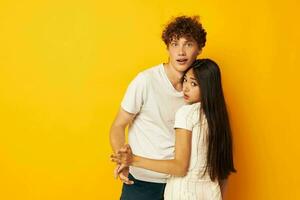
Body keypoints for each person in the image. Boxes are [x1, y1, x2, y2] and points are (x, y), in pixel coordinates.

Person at [109, 16, 206, 200]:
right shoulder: (146, 81)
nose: (181, 51)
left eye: (188, 44)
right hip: (142, 182)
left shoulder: (199, 90)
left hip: (181, 184)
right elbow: (118, 125)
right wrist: (122, 157)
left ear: (199, 48)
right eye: (175, 43)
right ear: (167, 47)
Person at [112, 59, 236, 200]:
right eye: (185, 81)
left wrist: (132, 160)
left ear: (207, 88)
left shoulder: (186, 113)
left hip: (182, 192)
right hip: (211, 193)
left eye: (194, 84)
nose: (186, 88)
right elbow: (224, 171)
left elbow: (179, 167)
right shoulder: (219, 118)